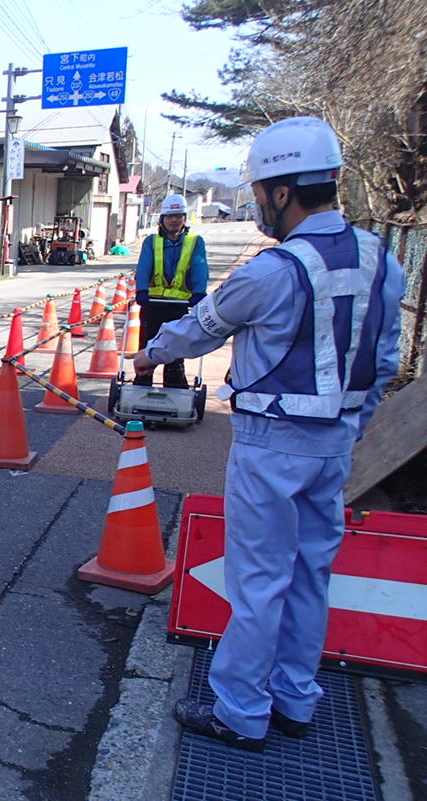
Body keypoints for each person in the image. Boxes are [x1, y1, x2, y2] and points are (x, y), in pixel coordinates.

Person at [134, 116, 404, 752]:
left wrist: (150, 356)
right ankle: (295, 697)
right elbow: (385, 362)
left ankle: (242, 710)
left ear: (283, 192)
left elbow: (202, 326)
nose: (258, 208)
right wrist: (351, 429)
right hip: (335, 446)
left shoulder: (274, 270)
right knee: (310, 573)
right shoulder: (384, 263)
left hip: (272, 444)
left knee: (259, 579)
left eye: (260, 195)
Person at [133, 194, 208, 388]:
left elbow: (200, 267)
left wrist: (199, 293)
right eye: (170, 216)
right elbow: (144, 267)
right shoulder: (152, 241)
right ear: (162, 219)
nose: (174, 220)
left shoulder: (194, 241)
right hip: (153, 303)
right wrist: (141, 290)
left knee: (176, 345)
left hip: (179, 306)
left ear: (184, 218)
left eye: (178, 216)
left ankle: (175, 381)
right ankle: (143, 379)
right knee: (148, 342)